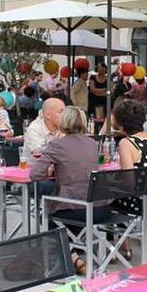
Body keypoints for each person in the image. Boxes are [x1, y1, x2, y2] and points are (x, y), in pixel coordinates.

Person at [30, 106, 102, 275]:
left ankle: (71, 257)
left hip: (74, 206)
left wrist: (52, 168)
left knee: (47, 214)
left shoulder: (57, 145)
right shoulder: (92, 143)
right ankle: (75, 250)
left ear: (63, 122)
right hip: (99, 206)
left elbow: (35, 175)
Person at [111, 99, 147, 257]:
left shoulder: (126, 143)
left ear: (120, 122)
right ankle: (121, 245)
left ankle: (122, 247)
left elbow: (129, 181)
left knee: (106, 200)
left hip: (139, 201)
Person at [22, 97, 66, 163]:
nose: (65, 115)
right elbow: (41, 153)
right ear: (48, 115)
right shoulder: (34, 129)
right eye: (61, 112)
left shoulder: (63, 127)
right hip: (34, 170)